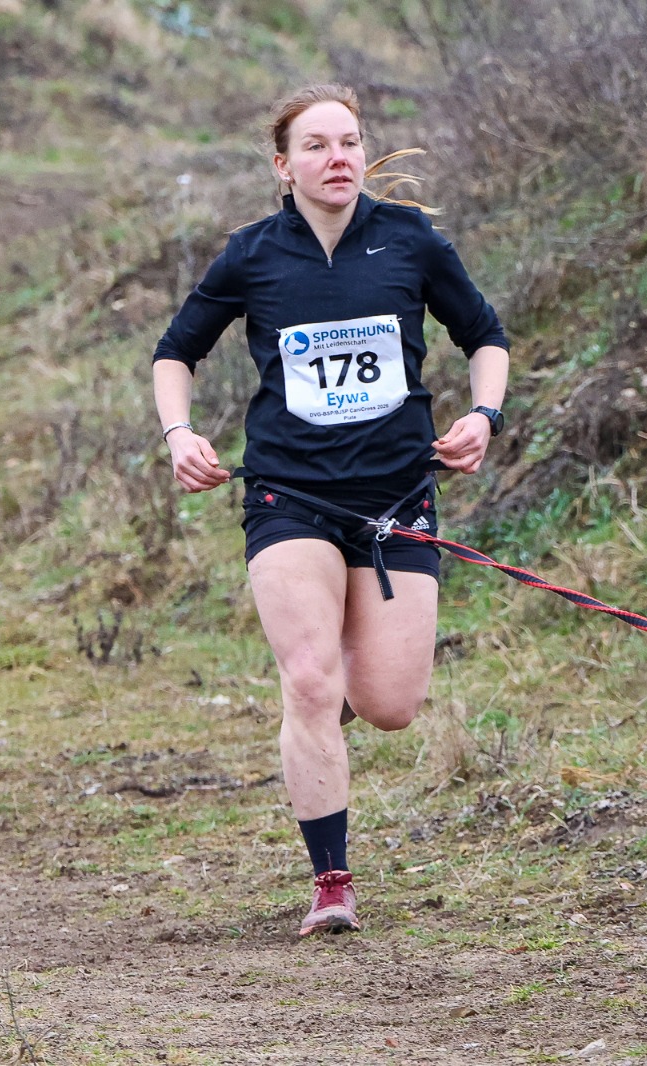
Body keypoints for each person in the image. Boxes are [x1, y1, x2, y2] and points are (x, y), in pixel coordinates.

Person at [150, 83, 510, 937]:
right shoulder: (251, 254)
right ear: (285, 166)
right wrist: (178, 434)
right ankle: (332, 883)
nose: (338, 156)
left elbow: (484, 335)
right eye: (316, 145)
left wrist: (481, 417)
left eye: (348, 142)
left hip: (394, 497)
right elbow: (176, 353)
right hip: (289, 494)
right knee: (311, 680)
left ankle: (318, 717)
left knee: (388, 703)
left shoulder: (410, 239)